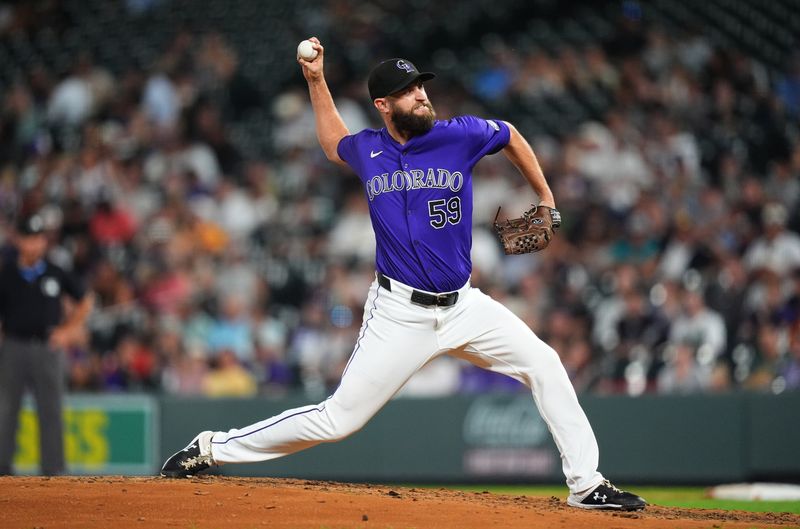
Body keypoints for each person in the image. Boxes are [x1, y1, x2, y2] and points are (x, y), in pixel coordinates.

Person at [161, 38, 646, 511]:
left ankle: (587, 484)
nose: (422, 94)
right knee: (338, 419)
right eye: (410, 91)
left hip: (464, 305)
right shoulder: (369, 149)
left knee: (545, 363)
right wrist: (315, 80)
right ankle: (213, 448)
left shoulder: (459, 134)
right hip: (399, 312)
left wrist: (546, 197)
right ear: (384, 105)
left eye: (422, 87)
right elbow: (333, 143)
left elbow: (510, 135)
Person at [0, 214, 93, 475]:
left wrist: (67, 331)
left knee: (51, 409)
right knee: (6, 410)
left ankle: (54, 471)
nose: (34, 244)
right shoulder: (7, 273)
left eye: (39, 238)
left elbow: (85, 299)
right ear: (19, 240)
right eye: (29, 238)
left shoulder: (55, 271)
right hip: (13, 347)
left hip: (47, 347)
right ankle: (2, 468)